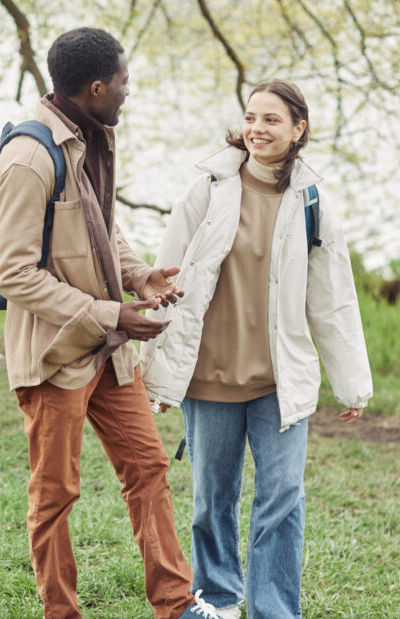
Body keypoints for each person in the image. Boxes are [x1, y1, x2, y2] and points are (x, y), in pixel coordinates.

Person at [0, 27, 221, 619]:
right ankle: (61, 613)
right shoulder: (29, 159)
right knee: (56, 493)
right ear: (96, 86)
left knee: (148, 467)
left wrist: (140, 277)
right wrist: (108, 313)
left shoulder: (89, 138)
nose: (128, 91)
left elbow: (99, 230)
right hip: (56, 354)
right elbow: (9, 272)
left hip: (109, 348)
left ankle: (177, 604)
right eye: (122, 81)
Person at [141, 80, 374, 618]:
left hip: (279, 380)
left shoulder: (312, 201)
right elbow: (165, 279)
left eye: (272, 120)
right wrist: (155, 371)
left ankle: (274, 610)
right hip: (209, 377)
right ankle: (218, 600)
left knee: (283, 499)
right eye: (251, 118)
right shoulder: (208, 188)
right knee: (212, 502)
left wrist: (351, 382)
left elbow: (333, 299)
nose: (257, 129)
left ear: (299, 130)